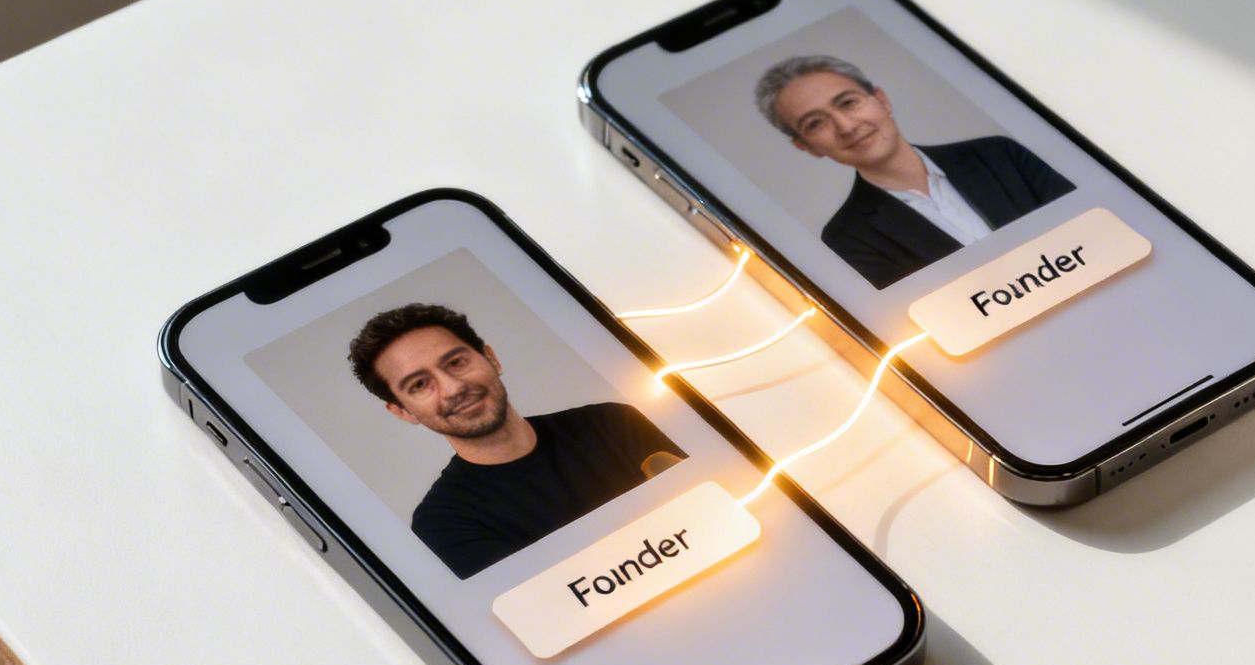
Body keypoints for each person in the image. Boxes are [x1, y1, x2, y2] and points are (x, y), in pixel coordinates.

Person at [349, 303, 684, 578]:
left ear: (490, 358)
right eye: (419, 385)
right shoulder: (443, 523)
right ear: (402, 411)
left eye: (455, 362)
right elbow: (553, 612)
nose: (452, 388)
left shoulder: (614, 423)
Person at [755, 54, 1074, 289]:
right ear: (807, 147)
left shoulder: (1000, 154)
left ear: (882, 100)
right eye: (815, 123)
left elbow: (1090, 227)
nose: (846, 126)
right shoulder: (847, 239)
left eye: (848, 103)